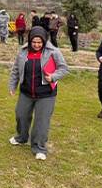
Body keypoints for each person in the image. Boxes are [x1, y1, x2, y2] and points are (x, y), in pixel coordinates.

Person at [8, 27, 70, 161]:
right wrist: (12, 85)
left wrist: (53, 77)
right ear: (30, 40)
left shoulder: (53, 51)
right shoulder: (23, 51)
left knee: (41, 122)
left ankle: (39, 147)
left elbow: (64, 68)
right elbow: (16, 70)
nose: (36, 45)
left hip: (46, 94)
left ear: (44, 41)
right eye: (34, 42)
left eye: (39, 42)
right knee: (21, 115)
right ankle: (22, 137)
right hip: (26, 92)